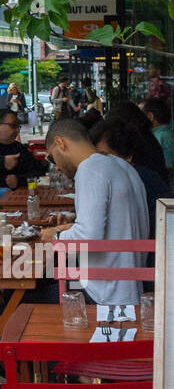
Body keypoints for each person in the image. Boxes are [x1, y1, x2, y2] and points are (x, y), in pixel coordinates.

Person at [40, 118, 148, 305]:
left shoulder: (90, 169)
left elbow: (88, 237)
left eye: (52, 157)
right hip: (129, 287)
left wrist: (55, 236)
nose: (56, 165)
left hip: (104, 296)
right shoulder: (120, 165)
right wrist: (71, 227)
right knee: (45, 278)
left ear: (60, 142)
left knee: (9, 308)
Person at [93, 118, 169, 238]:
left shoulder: (142, 179)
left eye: (104, 156)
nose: (97, 163)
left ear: (128, 156)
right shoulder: (143, 176)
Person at [142, 97, 174, 175]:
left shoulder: (163, 136)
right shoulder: (162, 134)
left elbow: (168, 167)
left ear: (150, 116)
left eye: (141, 115)